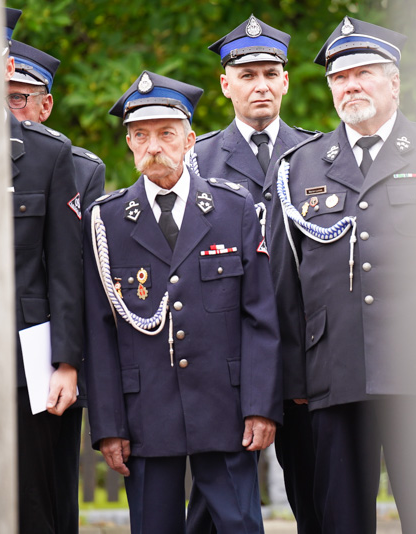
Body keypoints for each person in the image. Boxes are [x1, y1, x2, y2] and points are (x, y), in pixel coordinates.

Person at [268, 16, 416, 533]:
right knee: (341, 519)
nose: (351, 85)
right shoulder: (300, 166)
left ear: (395, 81)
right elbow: (286, 282)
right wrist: (293, 374)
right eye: (339, 77)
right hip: (335, 369)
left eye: (364, 73)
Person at [83, 70, 282, 534]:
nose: (154, 146)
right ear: (130, 143)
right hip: (144, 415)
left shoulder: (233, 209)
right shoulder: (106, 222)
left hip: (227, 410)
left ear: (190, 140)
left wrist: (260, 404)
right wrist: (108, 425)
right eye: (141, 136)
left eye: (166, 134)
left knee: (240, 527)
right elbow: (99, 330)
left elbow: (260, 317)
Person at [186, 14, 321, 534]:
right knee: (218, 505)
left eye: (271, 73)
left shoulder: (318, 155)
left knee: (315, 495)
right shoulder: (196, 160)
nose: (260, 85)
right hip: (229, 365)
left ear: (286, 80)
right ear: (225, 84)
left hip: (305, 361)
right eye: (247, 75)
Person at [7, 38, 106, 534]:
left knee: (47, 496)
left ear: (45, 104)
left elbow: (74, 273)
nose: (9, 105)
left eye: (19, 97)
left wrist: (69, 362)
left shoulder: (75, 165)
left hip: (36, 352)